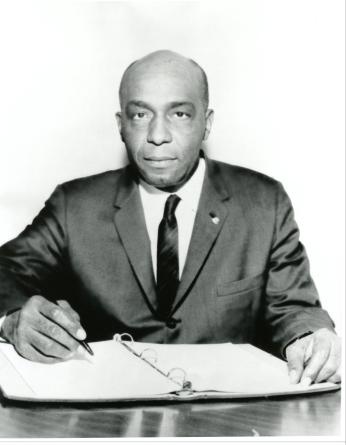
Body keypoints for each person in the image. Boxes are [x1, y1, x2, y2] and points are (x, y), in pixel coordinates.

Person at [0, 50, 340, 385]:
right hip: (109, 423)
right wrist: (12, 320)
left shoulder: (264, 203)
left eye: (179, 114)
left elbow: (294, 309)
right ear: (121, 126)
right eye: (140, 115)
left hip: (227, 422)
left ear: (207, 124)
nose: (157, 135)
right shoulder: (74, 206)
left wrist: (310, 339)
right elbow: (6, 271)